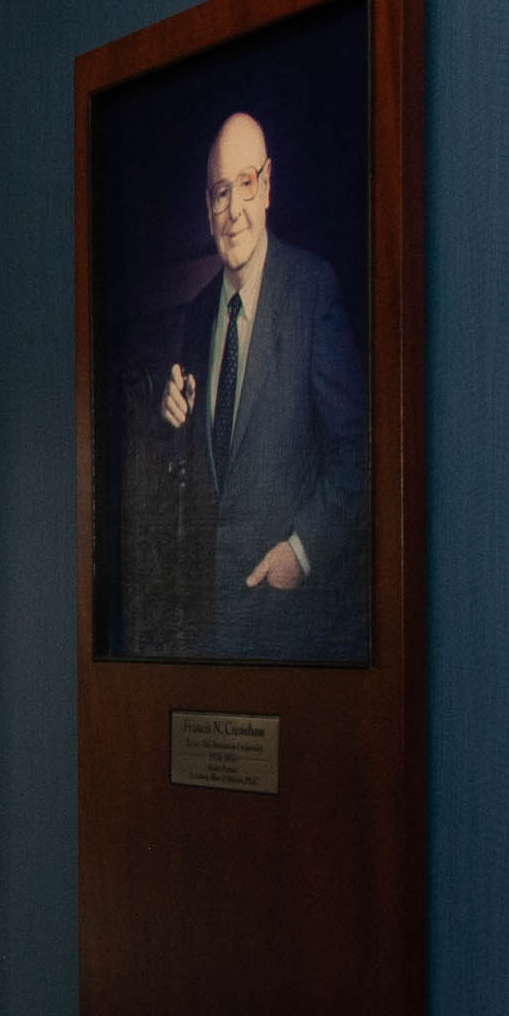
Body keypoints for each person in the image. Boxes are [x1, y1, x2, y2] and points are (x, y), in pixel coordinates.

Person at [150, 110, 369, 659]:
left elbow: (357, 453)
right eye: (220, 192)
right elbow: (197, 474)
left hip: (289, 630)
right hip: (209, 629)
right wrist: (173, 421)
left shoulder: (312, 291)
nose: (233, 211)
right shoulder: (197, 313)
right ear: (208, 208)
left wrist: (303, 550)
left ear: (267, 186)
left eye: (245, 184)